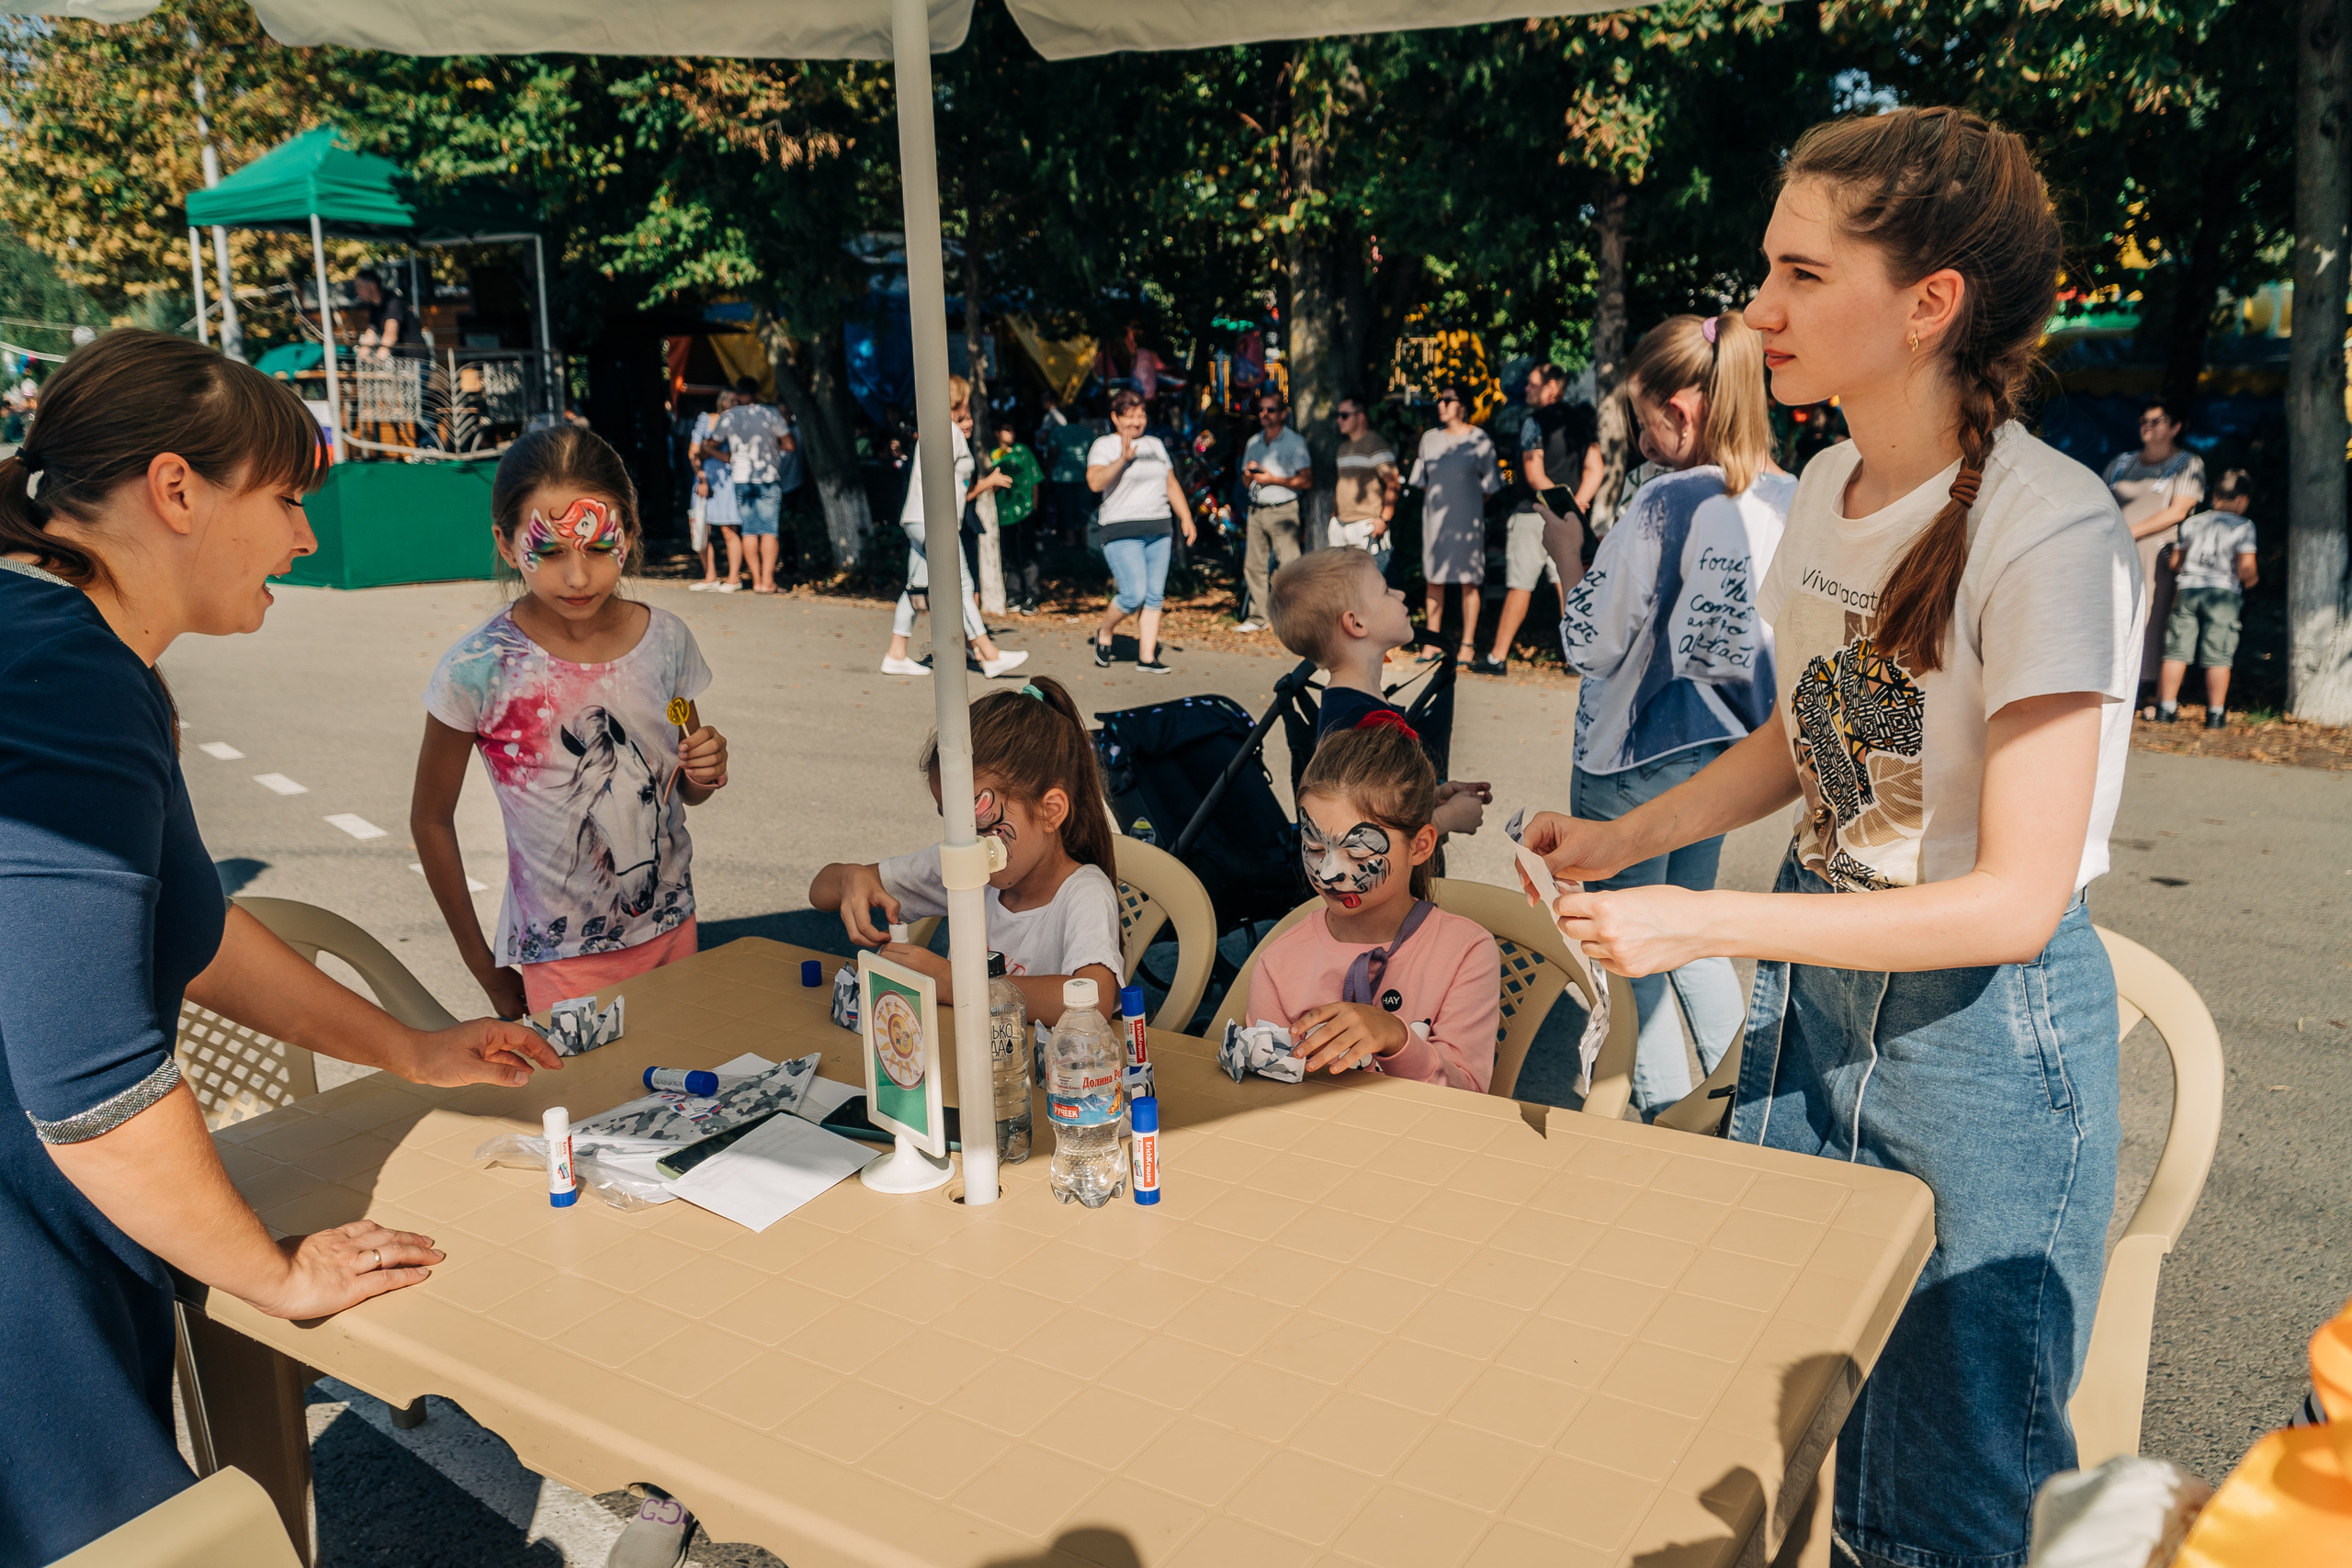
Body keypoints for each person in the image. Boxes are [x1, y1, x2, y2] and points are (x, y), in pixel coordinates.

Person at [1523, 107, 2137, 1568]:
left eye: (1801, 275)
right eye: (1764, 270)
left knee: (1946, 1496)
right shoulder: (1829, 495)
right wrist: (1632, 841)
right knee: (1796, 1429)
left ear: (1930, 306)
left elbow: (2008, 900)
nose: (1760, 310)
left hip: (1982, 1041)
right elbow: (1816, 733)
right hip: (1823, 996)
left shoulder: (2051, 530)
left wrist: (1706, 919)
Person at [0, 330, 562, 1563]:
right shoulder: (66, 677)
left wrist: (410, 1049)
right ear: (177, 490)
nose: (308, 537)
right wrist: (276, 1274)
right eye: (289, 499)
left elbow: (193, 932)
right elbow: (85, 1080)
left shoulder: (60, 648)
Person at [412, 423, 731, 1019]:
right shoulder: (477, 670)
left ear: (629, 536)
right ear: (507, 545)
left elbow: (684, 784)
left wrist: (704, 768)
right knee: (588, 1111)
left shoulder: (668, 643)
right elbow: (430, 818)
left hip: (672, 934)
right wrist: (484, 966)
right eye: (550, 551)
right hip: (560, 960)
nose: (578, 577)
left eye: (599, 548)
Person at [1556, 310, 1792, 1115]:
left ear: (1682, 409)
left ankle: (1664, 1120)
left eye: (1641, 416)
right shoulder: (1790, 499)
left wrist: (1565, 554)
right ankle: (1733, 1103)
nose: (1642, 437)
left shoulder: (1665, 502)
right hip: (1729, 759)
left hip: (1631, 759)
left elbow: (1590, 639)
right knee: (1694, 934)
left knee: (1627, 954)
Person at [809, 676, 1123, 1028]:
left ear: (1050, 811)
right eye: (954, 823)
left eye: (981, 820)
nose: (968, 840)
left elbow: (1094, 999)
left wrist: (956, 983)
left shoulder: (1083, 894)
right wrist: (853, 876)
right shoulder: (966, 864)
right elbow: (820, 892)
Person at [1242, 713, 1502, 1092]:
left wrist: (1398, 1039)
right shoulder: (1279, 963)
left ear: (1422, 845)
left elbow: (1469, 1097)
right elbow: (1262, 1093)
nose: (1329, 871)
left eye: (1359, 853)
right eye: (1314, 847)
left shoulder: (1466, 952)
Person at [1266, 547, 1489, 838]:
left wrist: (1432, 796)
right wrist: (1446, 819)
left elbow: (1384, 804)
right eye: (1385, 591)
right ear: (1356, 623)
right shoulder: (1358, 729)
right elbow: (1368, 840)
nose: (1400, 595)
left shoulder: (1352, 708)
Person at [881, 375, 1026, 679]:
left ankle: (896, 653)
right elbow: (948, 481)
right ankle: (988, 654)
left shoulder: (933, 431)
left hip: (916, 518)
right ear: (959, 401)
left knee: (915, 588)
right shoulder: (951, 432)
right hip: (936, 520)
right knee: (962, 586)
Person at [1478, 363, 1602, 674]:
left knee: (1520, 585)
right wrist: (1578, 502)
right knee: (1567, 582)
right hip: (1570, 519)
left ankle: (1497, 657)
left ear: (1551, 388)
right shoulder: (1583, 421)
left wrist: (1558, 500)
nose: (1526, 389)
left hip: (1534, 512)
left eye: (1532, 383)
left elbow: (1534, 476)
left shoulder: (1533, 423)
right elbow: (1595, 468)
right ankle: (1576, 657)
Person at [1087, 387, 1197, 673]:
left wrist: (1185, 516)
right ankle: (1106, 631)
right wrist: (1123, 459)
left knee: (1154, 595)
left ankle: (1146, 657)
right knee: (1133, 594)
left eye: (1141, 415)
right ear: (1115, 417)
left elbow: (1170, 483)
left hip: (1159, 528)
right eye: (1130, 416)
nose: (1137, 422)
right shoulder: (1104, 446)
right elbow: (1095, 483)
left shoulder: (1155, 445)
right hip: (1120, 530)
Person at [2103, 400, 2205, 705]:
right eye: (2143, 420)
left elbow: (2179, 511)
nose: (2147, 425)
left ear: (2175, 428)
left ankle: (2146, 691)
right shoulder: (2121, 463)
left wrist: (2130, 532)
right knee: (2110, 615)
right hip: (2111, 553)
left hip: (2156, 557)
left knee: (2151, 617)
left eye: (2157, 420)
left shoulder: (2188, 464)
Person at [2156, 468, 2257, 727]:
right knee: (2219, 653)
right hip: (2223, 594)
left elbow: (2176, 562)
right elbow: (2246, 567)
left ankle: (2166, 708)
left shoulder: (2192, 522)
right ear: (2242, 500)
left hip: (2188, 590)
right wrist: (2252, 581)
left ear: (2214, 496)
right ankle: (2215, 713)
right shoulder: (2244, 526)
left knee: (2177, 650)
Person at [1409, 384, 1500, 660]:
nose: (1441, 404)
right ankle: (1432, 642)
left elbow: (1491, 485)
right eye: (1439, 400)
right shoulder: (1429, 439)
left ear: (1463, 406)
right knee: (1434, 580)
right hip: (1435, 522)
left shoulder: (1480, 439)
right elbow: (1423, 481)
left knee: (1468, 581)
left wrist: (1467, 504)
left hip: (1467, 522)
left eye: (1448, 400)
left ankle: (1467, 646)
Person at [1234, 389, 1312, 631]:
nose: (1265, 414)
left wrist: (1273, 479)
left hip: (1283, 509)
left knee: (1290, 566)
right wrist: (1249, 476)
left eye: (1271, 410)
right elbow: (1247, 483)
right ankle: (1258, 617)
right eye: (1261, 410)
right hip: (1257, 509)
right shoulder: (1253, 442)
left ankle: (1297, 618)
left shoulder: (1294, 442)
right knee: (1253, 566)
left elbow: (1306, 480)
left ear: (1283, 414)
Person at [713, 376, 795, 594]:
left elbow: (713, 442)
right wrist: (773, 445)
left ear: (738, 395)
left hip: (741, 477)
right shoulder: (771, 413)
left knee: (749, 530)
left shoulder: (729, 417)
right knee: (769, 530)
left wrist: (715, 451)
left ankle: (756, 580)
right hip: (768, 476)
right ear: (758, 393)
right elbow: (789, 444)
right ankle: (768, 581)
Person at [1329, 393, 1400, 577]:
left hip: (1365, 525)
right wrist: (1334, 517)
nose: (1339, 420)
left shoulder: (1375, 444)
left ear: (1360, 417)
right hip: (1341, 525)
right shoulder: (1342, 448)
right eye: (1337, 416)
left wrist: (1384, 519)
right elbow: (1341, 485)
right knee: (1343, 582)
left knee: (1368, 582)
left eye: (1344, 415)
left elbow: (1393, 482)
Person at [989, 412, 1046, 614]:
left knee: (1028, 552)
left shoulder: (1023, 451)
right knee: (1010, 553)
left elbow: (1035, 480)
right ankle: (1014, 593)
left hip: (1026, 509)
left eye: (1012, 430)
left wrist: (1035, 507)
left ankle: (1032, 594)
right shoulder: (993, 455)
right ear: (997, 433)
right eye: (1006, 430)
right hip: (1004, 512)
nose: (1010, 434)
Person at [690, 389, 743, 592]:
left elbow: (730, 457)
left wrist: (708, 449)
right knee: (702, 528)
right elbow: (693, 452)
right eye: (731, 399)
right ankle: (709, 575)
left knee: (729, 530)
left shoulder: (738, 425)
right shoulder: (706, 419)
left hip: (727, 481)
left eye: (737, 400)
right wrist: (701, 478)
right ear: (721, 401)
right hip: (703, 479)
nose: (733, 403)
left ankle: (733, 578)